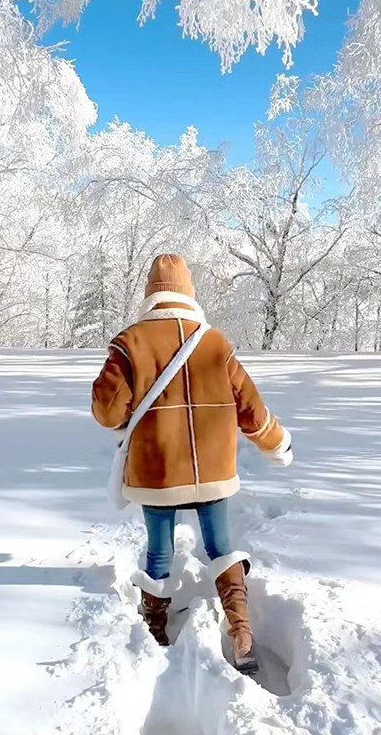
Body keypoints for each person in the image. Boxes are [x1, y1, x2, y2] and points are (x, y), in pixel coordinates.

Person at [91, 254, 293, 672]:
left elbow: (107, 412)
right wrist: (276, 444)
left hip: (157, 472)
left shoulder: (130, 343)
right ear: (189, 293)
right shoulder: (214, 343)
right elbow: (252, 410)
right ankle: (241, 632)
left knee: (159, 550)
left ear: (150, 293)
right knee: (221, 545)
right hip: (212, 471)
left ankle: (155, 631)